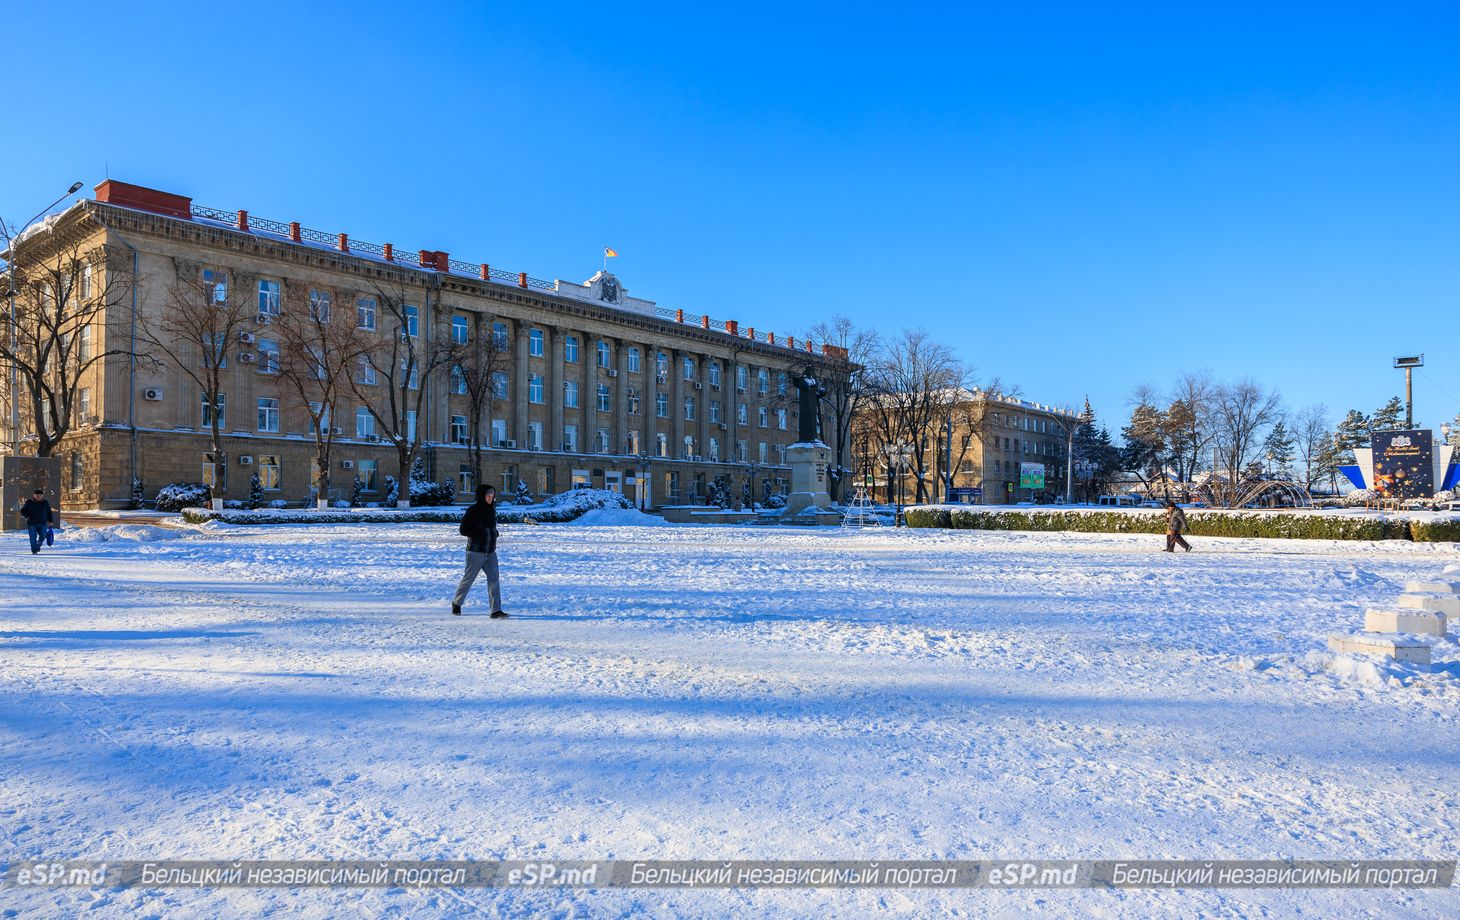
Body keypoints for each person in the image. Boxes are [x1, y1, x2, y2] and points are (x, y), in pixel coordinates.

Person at [452, 484, 506, 617]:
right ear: (482, 495)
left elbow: (491, 527)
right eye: (488, 495)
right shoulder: (473, 510)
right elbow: (463, 530)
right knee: (468, 579)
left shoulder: (492, 509)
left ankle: (496, 610)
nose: (490, 497)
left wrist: (494, 533)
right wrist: (481, 532)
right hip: (476, 552)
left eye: (492, 494)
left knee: (494, 579)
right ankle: (457, 603)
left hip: (491, 551)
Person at [19, 489, 54, 555]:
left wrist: (50, 520)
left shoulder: (45, 502)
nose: (38, 496)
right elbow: (23, 510)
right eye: (36, 495)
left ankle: (39, 544)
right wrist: (27, 516)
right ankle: (34, 550)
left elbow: (49, 512)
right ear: (33, 495)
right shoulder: (29, 502)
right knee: (32, 537)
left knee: (43, 535)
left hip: (42, 522)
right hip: (32, 523)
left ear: (42, 496)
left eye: (40, 495)